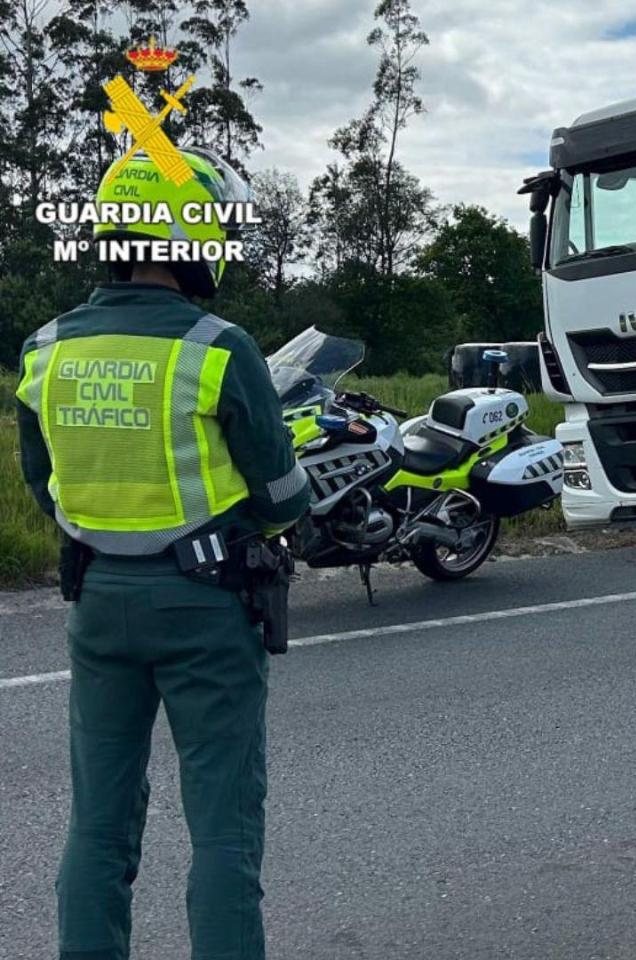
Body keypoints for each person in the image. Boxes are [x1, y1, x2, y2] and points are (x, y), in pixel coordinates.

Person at [13, 146, 308, 960]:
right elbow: (284, 497)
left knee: (98, 825)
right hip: (206, 608)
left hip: (97, 604)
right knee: (223, 830)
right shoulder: (218, 346)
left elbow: (44, 483)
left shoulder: (45, 348)